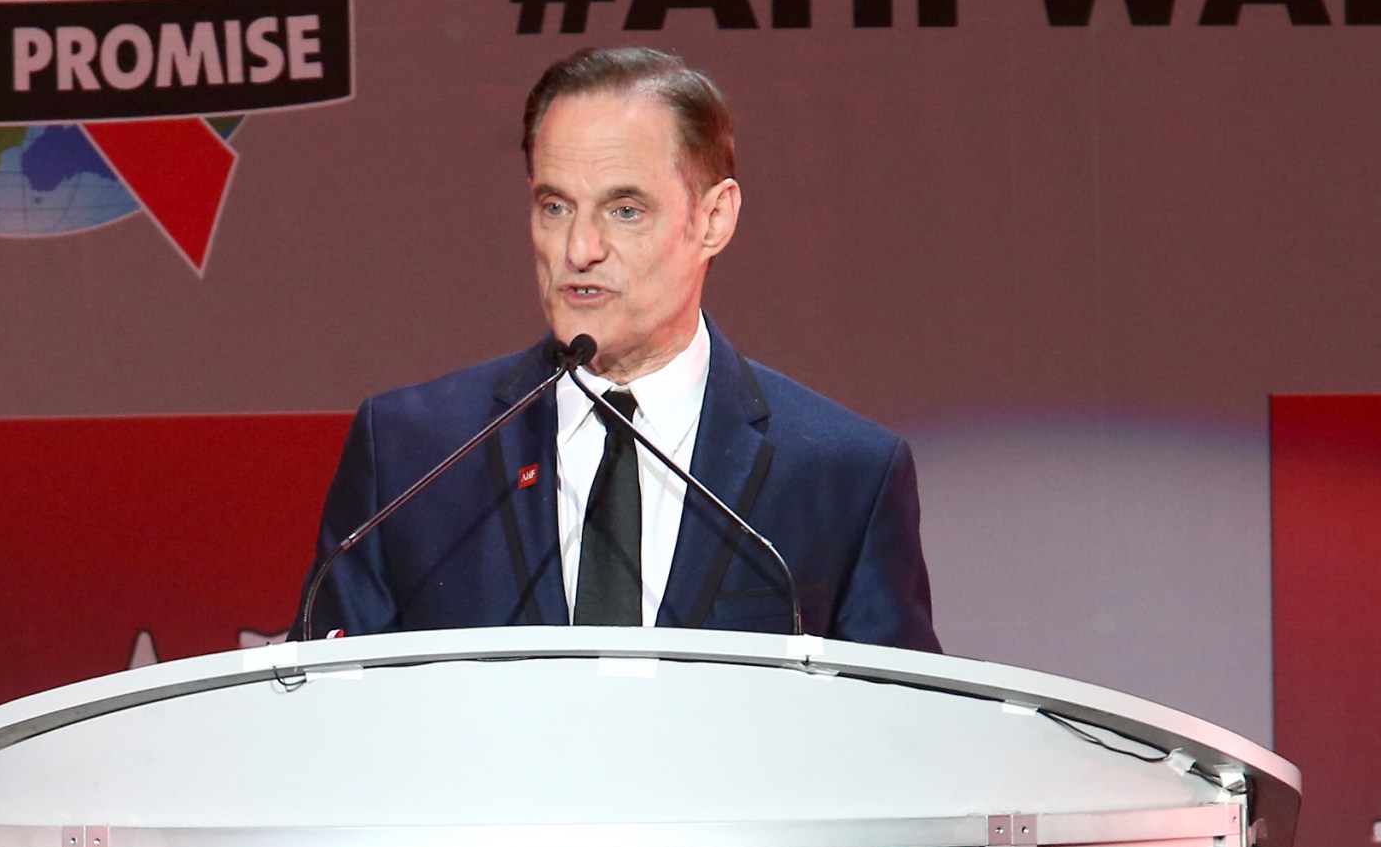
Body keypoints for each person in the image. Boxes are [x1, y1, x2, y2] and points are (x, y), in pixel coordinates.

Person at [300, 47, 940, 652]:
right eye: (554, 206)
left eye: (625, 210)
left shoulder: (841, 475)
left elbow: (902, 736)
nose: (579, 250)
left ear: (713, 219)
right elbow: (328, 720)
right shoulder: (413, 453)